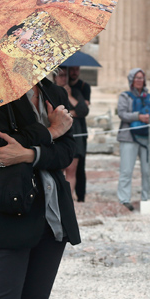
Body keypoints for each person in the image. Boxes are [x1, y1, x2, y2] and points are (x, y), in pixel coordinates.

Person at [0, 73, 79, 299]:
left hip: (52, 218)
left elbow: (67, 152)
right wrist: (52, 131)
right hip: (7, 217)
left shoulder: (54, 93)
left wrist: (29, 154)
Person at [116, 68, 150, 212]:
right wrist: (139, 117)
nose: (139, 80)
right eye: (137, 78)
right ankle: (124, 199)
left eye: (141, 78)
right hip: (129, 137)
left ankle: (146, 198)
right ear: (131, 80)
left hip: (148, 137)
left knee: (148, 171)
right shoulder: (124, 96)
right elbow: (122, 113)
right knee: (126, 170)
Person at [53, 67, 88, 201]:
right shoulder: (51, 92)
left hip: (75, 133)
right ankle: (57, 198)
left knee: (72, 170)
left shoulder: (75, 91)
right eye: (61, 75)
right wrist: (71, 114)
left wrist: (70, 97)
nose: (64, 78)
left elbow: (83, 110)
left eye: (65, 76)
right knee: (59, 169)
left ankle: (67, 199)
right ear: (55, 77)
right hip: (59, 134)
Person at [67, 66, 91, 202]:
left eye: (76, 69)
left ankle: (81, 196)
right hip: (68, 128)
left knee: (79, 165)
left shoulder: (83, 87)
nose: (74, 72)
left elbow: (83, 110)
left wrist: (68, 112)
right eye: (72, 70)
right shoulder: (59, 87)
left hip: (80, 129)